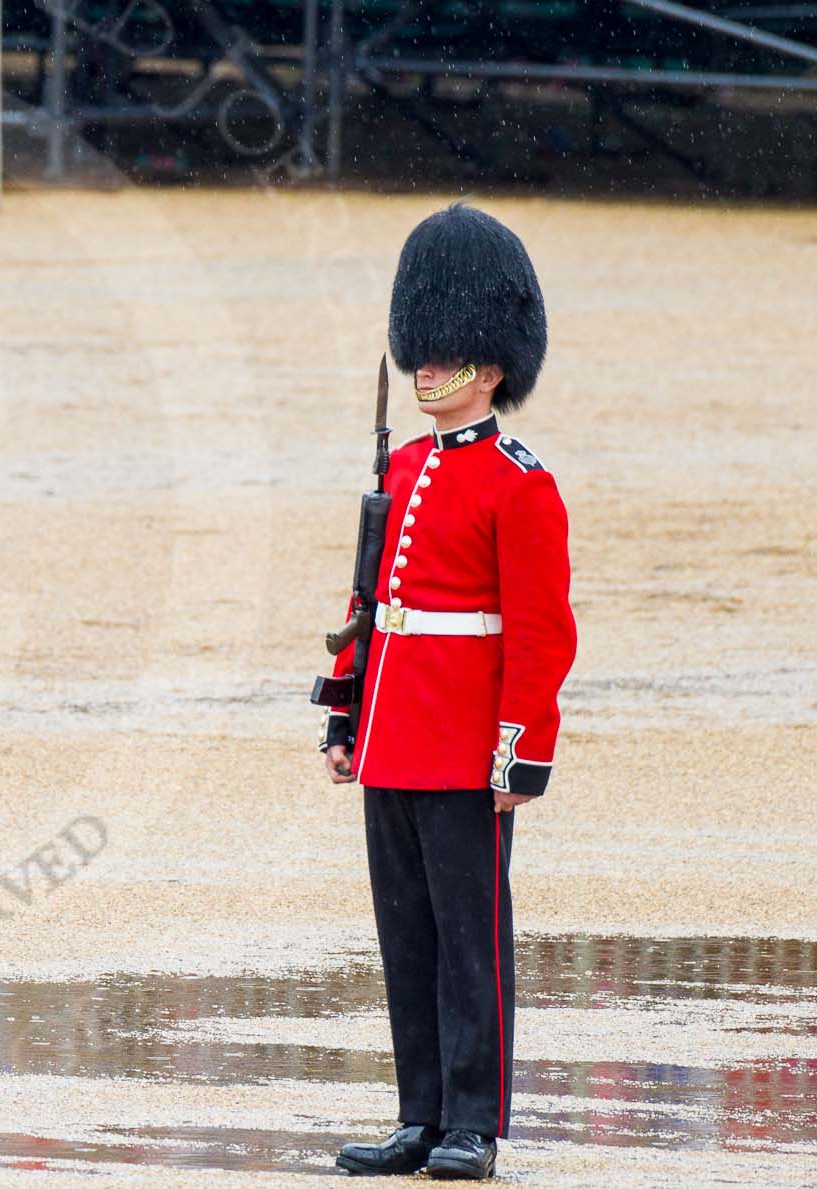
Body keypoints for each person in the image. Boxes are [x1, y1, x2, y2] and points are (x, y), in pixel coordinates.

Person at [318, 204, 577, 1180]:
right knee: (408, 939)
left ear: (490, 363)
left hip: (466, 744)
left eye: (444, 355)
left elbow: (540, 633)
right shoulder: (402, 466)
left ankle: (473, 1121)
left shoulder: (518, 485)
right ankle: (418, 1114)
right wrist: (345, 718)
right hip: (391, 736)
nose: (424, 370)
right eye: (418, 354)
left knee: (471, 945)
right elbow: (367, 606)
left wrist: (520, 752)